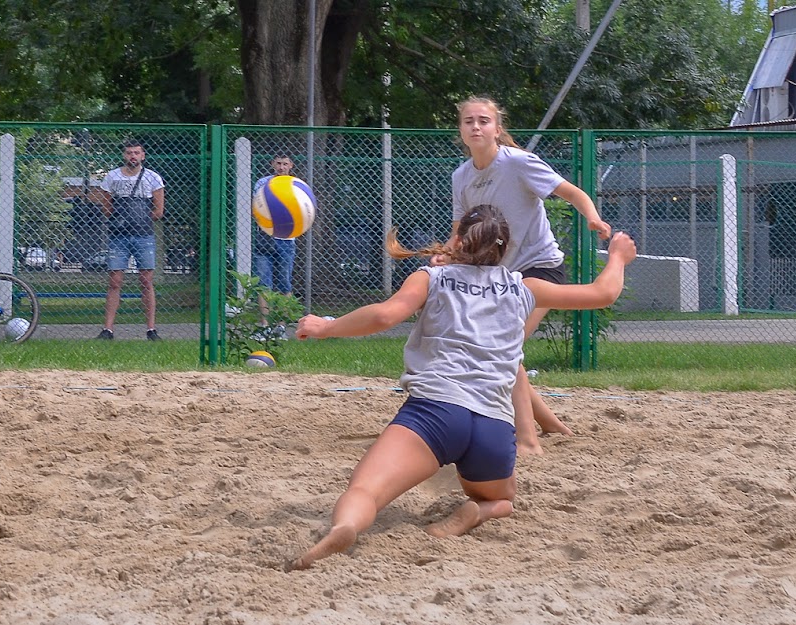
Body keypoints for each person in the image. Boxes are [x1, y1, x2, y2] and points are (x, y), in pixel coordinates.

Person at [288, 205, 636, 570]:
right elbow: (603, 293)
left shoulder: (431, 277)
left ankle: (346, 526)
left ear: (457, 240)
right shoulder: (525, 287)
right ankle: (482, 511)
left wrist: (326, 326)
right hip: (495, 426)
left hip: (436, 412)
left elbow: (384, 316)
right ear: (503, 250)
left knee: (364, 492)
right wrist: (617, 257)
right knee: (503, 500)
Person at [445, 95, 613, 456]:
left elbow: (572, 192)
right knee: (504, 349)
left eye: (483, 121)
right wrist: (446, 256)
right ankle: (552, 425)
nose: (476, 126)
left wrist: (593, 217)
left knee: (503, 348)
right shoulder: (462, 176)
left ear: (497, 128)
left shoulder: (518, 164)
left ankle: (527, 439)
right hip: (500, 278)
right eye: (468, 121)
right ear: (460, 130)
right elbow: (460, 229)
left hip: (540, 268)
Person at [95, 140, 165, 341]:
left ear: (143, 155)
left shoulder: (153, 178)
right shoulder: (112, 177)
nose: (132, 156)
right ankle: (108, 329)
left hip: (144, 235)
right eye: (129, 153)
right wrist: (121, 220)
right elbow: (106, 207)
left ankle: (151, 329)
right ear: (124, 156)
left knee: (146, 281)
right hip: (119, 236)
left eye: (136, 153)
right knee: (115, 281)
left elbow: (159, 210)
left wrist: (140, 218)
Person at [252, 154, 297, 336]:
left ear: (291, 166)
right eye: (278, 163)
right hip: (264, 238)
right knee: (264, 283)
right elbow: (257, 207)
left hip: (286, 240)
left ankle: (280, 327)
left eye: (285, 164)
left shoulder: (296, 185)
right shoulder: (263, 183)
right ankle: (264, 326)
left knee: (284, 283)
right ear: (272, 164)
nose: (281, 167)